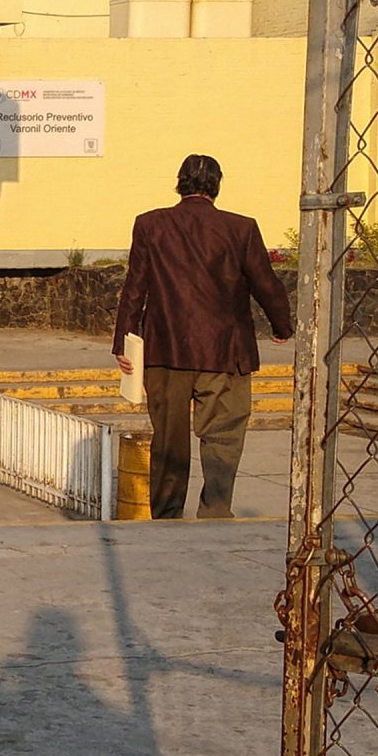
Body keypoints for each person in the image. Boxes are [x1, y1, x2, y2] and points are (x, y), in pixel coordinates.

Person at [113, 154, 294, 519]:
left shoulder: (150, 225)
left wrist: (124, 340)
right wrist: (282, 327)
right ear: (217, 185)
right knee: (223, 437)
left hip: (167, 350)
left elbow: (135, 287)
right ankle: (215, 510)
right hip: (225, 351)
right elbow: (266, 284)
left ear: (179, 182)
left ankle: (166, 515)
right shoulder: (241, 228)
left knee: (168, 439)